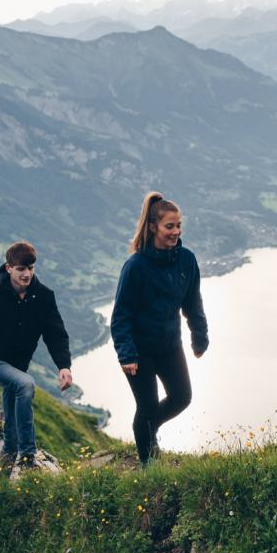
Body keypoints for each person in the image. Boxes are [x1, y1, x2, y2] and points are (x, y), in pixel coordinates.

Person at [111, 191, 208, 466]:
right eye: (169, 226)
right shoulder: (136, 266)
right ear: (153, 227)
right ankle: (148, 465)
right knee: (148, 406)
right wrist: (126, 354)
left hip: (169, 345)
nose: (176, 231)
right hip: (140, 350)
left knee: (182, 397)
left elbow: (193, 301)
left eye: (178, 226)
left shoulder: (186, 260)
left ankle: (149, 429)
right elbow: (121, 316)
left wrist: (199, 336)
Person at [0, 240, 73, 469]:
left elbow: (55, 333)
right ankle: (28, 456)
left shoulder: (44, 297)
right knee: (25, 385)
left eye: (31, 268)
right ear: (9, 268)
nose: (27, 274)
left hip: (18, 365)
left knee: (13, 400)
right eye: (21, 269)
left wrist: (64, 366)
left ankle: (8, 456)